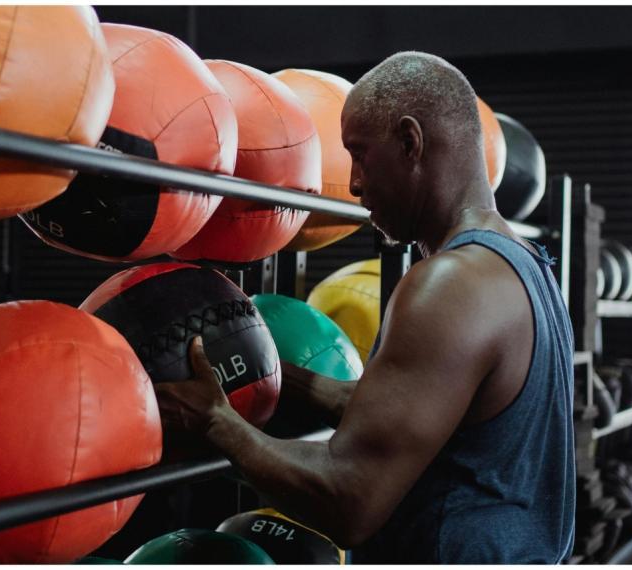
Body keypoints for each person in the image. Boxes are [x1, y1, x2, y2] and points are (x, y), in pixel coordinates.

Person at [154, 51, 576, 564]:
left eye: (359, 154)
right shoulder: (526, 263)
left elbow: (348, 500)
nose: (352, 183)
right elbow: (421, 406)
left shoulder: (449, 286)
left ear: (409, 142)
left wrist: (215, 421)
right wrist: (276, 375)